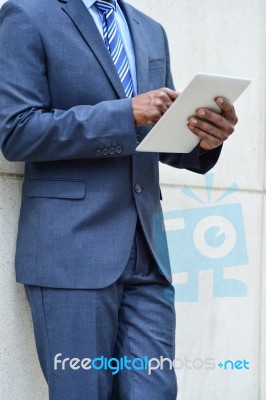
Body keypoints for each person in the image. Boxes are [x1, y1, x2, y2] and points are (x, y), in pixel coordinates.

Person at [0, 0, 238, 399]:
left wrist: (203, 137)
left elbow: (156, 133)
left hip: (148, 250)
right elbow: (16, 131)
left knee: (155, 392)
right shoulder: (27, 14)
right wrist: (124, 113)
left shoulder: (150, 28)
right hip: (73, 250)